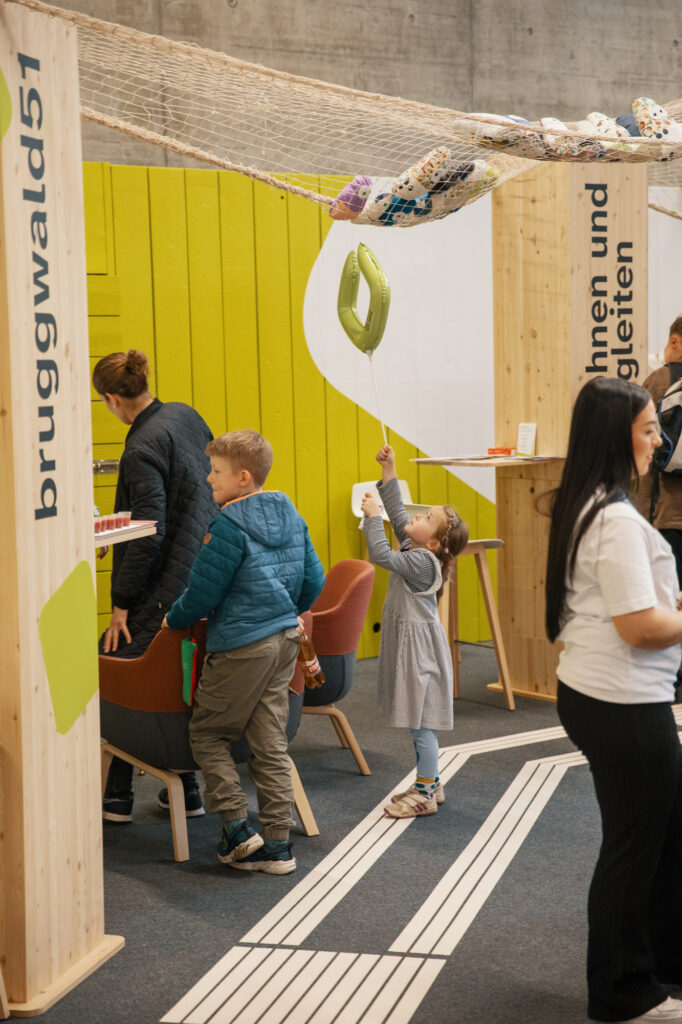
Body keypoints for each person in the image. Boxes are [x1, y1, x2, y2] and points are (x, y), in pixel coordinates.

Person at [545, 376, 682, 1024]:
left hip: (601, 693)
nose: (659, 440)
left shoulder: (586, 502)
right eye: (649, 429)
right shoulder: (617, 519)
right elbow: (639, 627)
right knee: (634, 847)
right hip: (624, 703)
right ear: (616, 437)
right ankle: (623, 992)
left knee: (660, 834)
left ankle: (657, 966)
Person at [163, 429, 325, 874]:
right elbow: (314, 582)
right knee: (269, 743)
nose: (209, 479)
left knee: (209, 734)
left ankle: (236, 829)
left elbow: (201, 595)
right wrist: (283, 608)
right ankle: (277, 846)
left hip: (241, 646)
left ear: (244, 477)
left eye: (217, 472)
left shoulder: (227, 525)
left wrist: (173, 619)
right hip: (284, 644)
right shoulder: (290, 511)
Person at [92, 350, 216, 822]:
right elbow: (182, 497)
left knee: (121, 671)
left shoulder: (140, 446)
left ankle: (118, 797)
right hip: (201, 572)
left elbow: (150, 533)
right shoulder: (185, 416)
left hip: (162, 584)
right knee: (175, 681)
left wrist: (121, 604)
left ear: (111, 399)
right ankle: (185, 790)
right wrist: (111, 530)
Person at [360, 444, 469, 818]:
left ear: (435, 542)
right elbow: (399, 511)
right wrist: (390, 471)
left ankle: (424, 793)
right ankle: (431, 782)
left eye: (427, 518)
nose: (417, 516)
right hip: (414, 644)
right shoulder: (420, 547)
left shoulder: (422, 561)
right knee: (416, 720)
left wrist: (372, 519)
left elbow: (381, 556)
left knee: (421, 721)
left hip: (420, 650)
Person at [637, 316, 682, 694]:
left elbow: (641, 453)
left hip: (667, 513)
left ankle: (672, 678)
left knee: (668, 596)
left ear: (675, 341)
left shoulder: (658, 381)